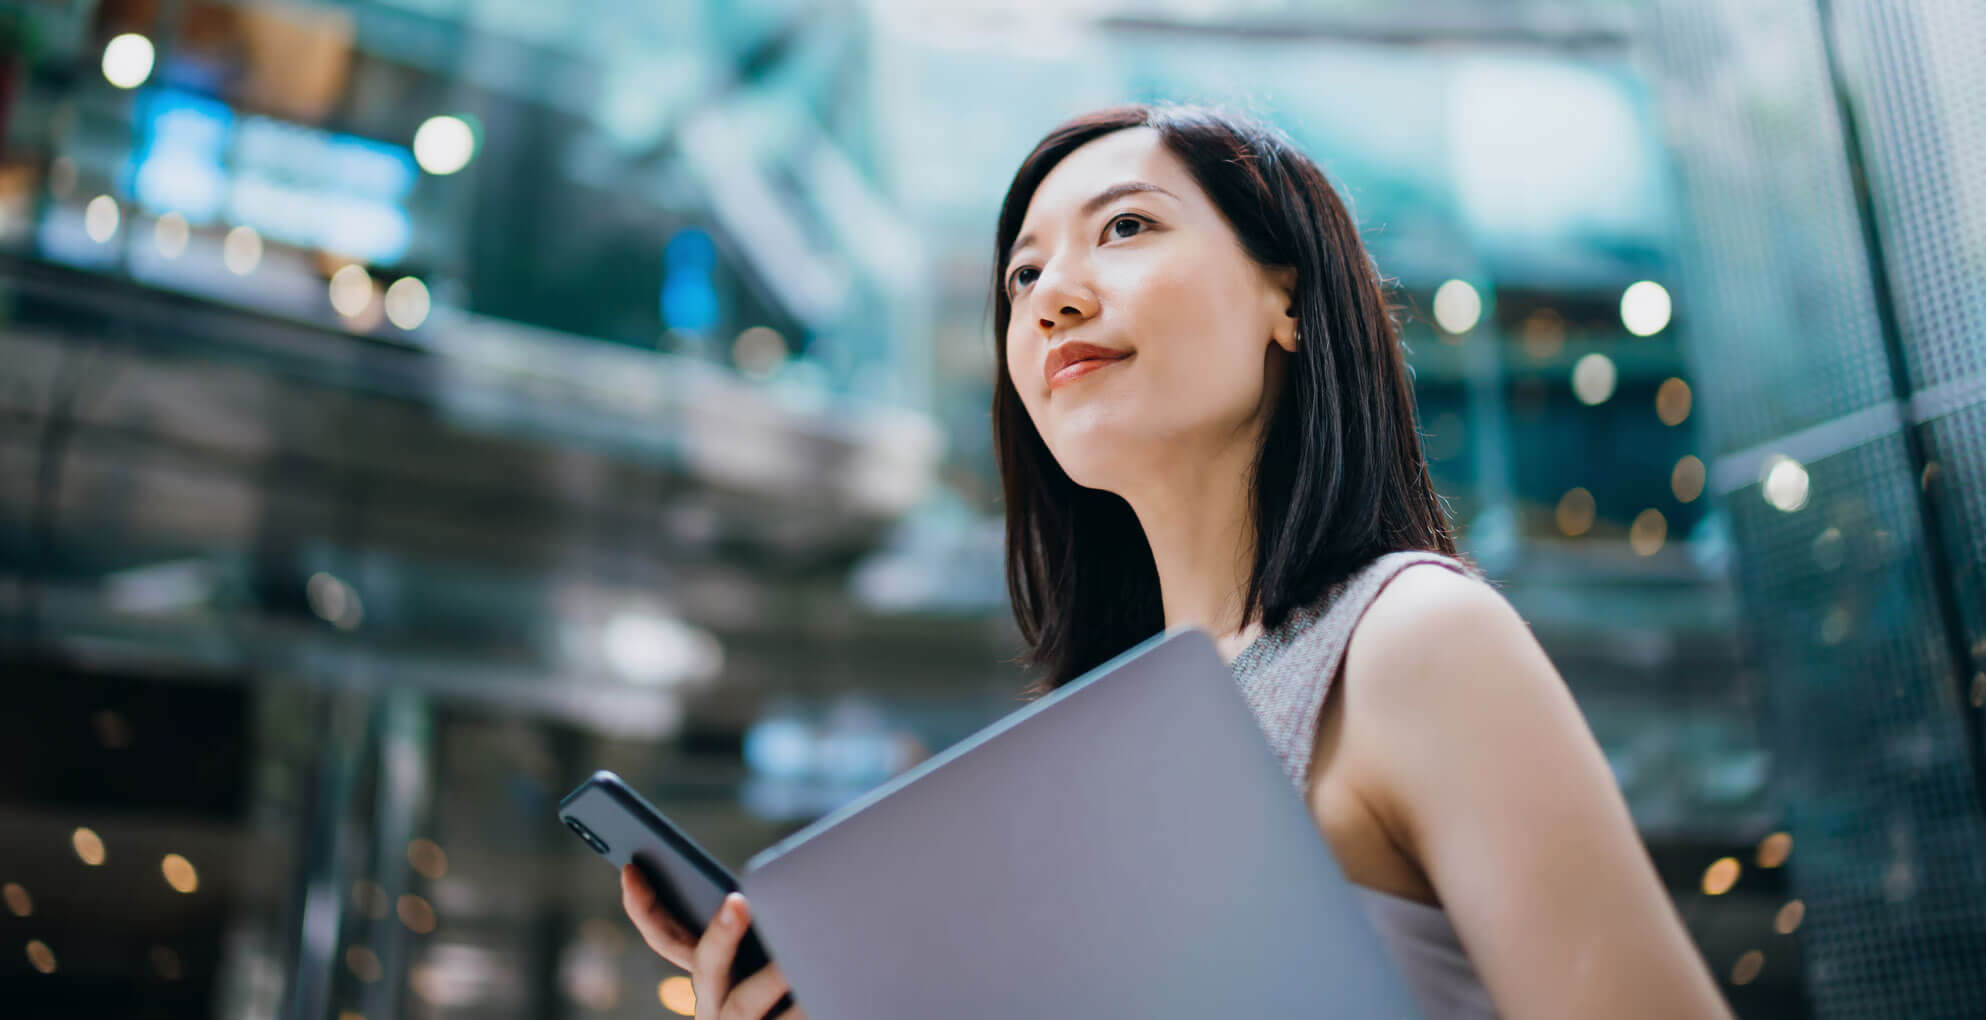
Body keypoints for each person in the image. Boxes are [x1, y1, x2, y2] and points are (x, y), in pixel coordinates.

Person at [621, 103, 1734, 1019]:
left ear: (1286, 299)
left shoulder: (1411, 639)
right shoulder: (1089, 763)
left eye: (1124, 230)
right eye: (1020, 278)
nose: (1051, 296)